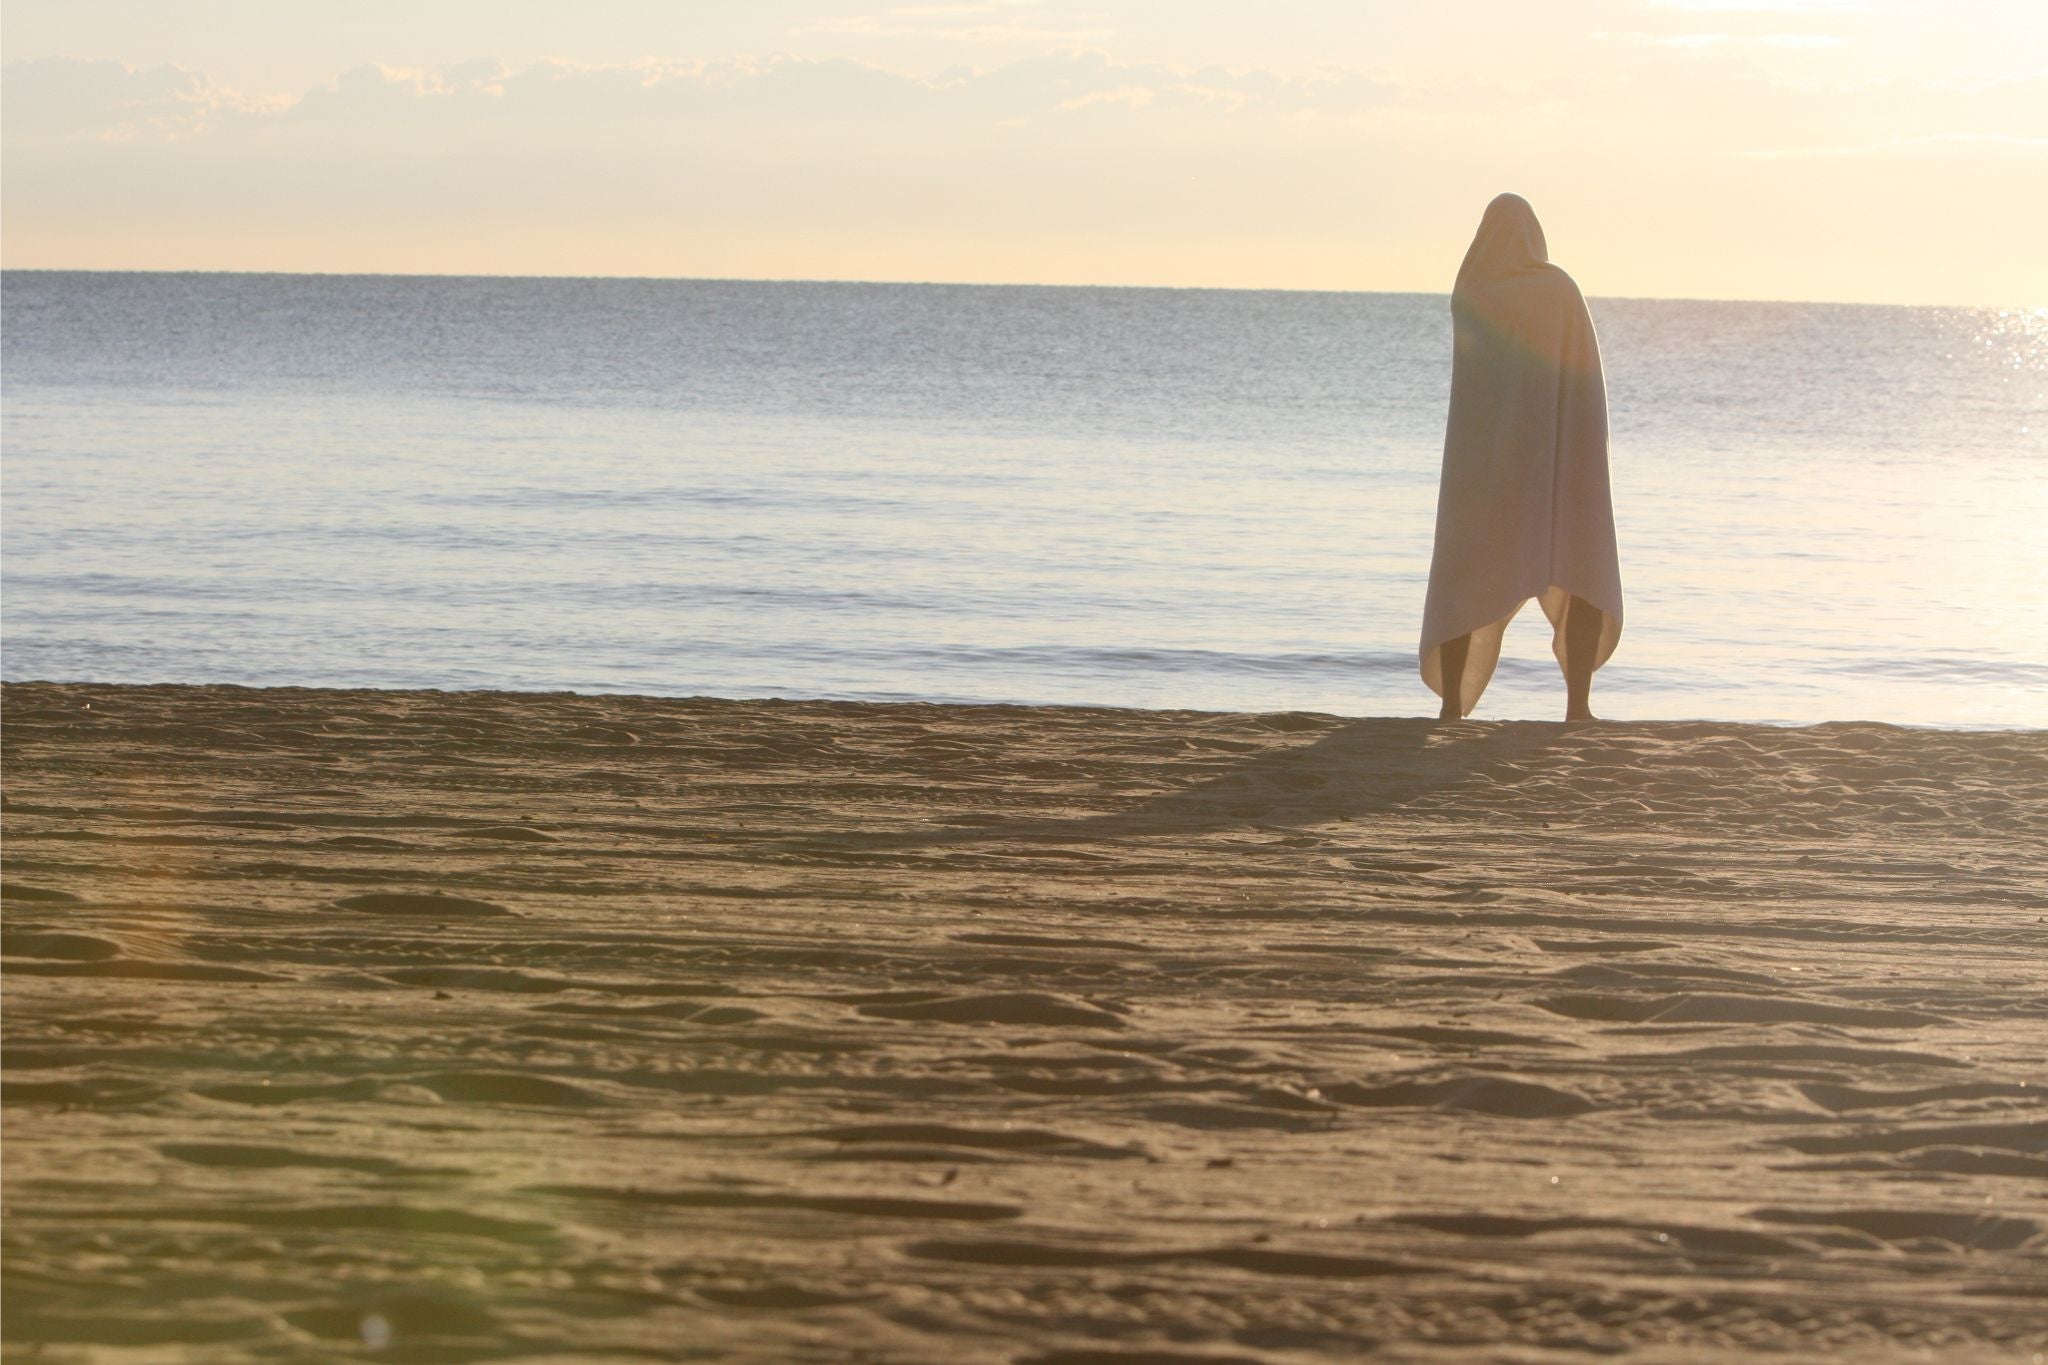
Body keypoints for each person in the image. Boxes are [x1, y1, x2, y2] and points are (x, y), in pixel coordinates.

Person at [1420, 193, 1622, 722]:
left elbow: (1477, 398)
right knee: (1579, 576)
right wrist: (1583, 459)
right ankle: (1578, 706)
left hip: (1487, 475)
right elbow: (1585, 390)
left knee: (1467, 580)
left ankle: (1451, 707)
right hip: (1557, 468)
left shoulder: (1472, 292)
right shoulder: (1559, 291)